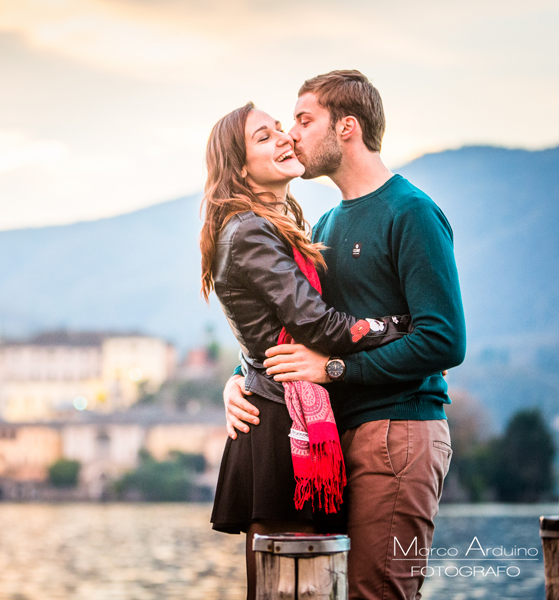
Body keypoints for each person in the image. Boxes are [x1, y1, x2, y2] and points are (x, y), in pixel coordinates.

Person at [223, 70, 466, 599]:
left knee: (378, 593)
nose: (292, 134)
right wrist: (240, 378)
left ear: (347, 127)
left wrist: (334, 369)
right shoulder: (325, 225)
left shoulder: (412, 212)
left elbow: (444, 341)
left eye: (305, 121)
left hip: (399, 431)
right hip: (333, 440)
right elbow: (295, 323)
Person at [200, 101, 413, 600]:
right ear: (238, 165)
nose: (282, 138)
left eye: (281, 128)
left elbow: (272, 331)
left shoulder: (275, 224)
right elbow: (314, 323)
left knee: (301, 586)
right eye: (263, 137)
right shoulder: (250, 230)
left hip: (284, 414)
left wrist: (239, 375)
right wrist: (393, 326)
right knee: (292, 587)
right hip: (278, 427)